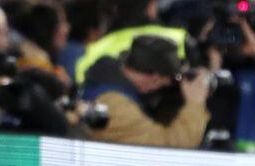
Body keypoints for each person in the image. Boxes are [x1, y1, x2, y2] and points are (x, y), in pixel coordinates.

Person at [82, 35, 210, 148]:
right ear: (154, 80)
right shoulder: (116, 106)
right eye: (166, 82)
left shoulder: (108, 81)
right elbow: (168, 148)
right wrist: (194, 103)